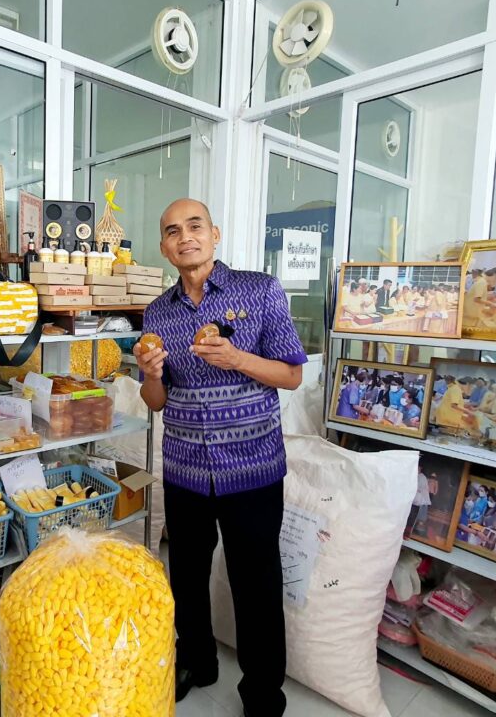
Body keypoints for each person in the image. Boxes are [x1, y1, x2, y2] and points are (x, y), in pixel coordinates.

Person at [137, 198, 306, 716]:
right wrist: (151, 374)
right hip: (185, 465)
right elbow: (155, 401)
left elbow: (291, 374)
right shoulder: (157, 312)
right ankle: (197, 661)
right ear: (164, 248)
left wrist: (236, 358)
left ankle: (263, 692)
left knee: (256, 582)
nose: (185, 237)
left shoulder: (260, 290)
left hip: (252, 466)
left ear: (215, 234)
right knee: (186, 573)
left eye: (195, 226)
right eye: (173, 231)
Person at [406, 463, 431, 539]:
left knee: (413, 518)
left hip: (418, 501)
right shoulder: (414, 475)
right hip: (412, 500)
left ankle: (410, 533)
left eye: (418, 467)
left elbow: (421, 488)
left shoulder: (422, 477)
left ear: (420, 468)